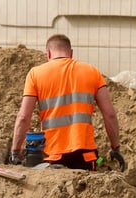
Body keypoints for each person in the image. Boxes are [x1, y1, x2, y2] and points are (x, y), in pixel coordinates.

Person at [11, 34, 125, 171]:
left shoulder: (35, 74)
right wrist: (115, 147)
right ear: (71, 53)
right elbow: (110, 114)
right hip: (86, 156)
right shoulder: (92, 71)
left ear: (48, 53)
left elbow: (23, 117)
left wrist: (15, 151)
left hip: (52, 157)